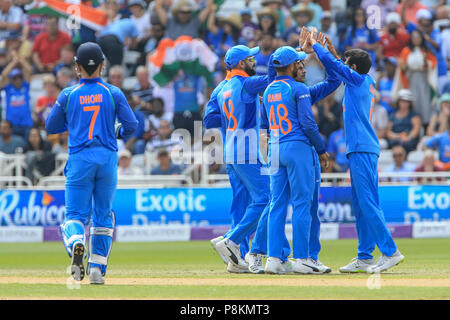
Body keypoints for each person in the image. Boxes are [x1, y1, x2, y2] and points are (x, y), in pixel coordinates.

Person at [311, 33, 404, 274]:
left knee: (366, 202)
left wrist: (316, 47)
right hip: (363, 148)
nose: (342, 62)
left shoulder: (356, 81)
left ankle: (390, 251)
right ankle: (365, 257)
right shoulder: (364, 80)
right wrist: (332, 50)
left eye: (346, 61)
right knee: (363, 204)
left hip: (362, 148)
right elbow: (338, 65)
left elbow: (334, 66)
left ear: (352, 67)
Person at [45, 42, 138, 285]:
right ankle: (97, 269)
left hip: (80, 159)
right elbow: (132, 125)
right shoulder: (113, 92)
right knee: (103, 214)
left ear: (77, 67)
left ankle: (77, 242)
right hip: (107, 158)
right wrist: (115, 130)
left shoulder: (68, 94)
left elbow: (51, 127)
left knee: (75, 215)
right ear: (102, 65)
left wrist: (75, 123)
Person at [261, 45, 335, 275]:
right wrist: (321, 150)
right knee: (303, 204)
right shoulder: (299, 89)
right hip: (297, 148)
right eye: (299, 63)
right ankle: (303, 258)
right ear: (291, 66)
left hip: (275, 148)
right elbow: (308, 123)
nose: (303, 66)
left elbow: (264, 125)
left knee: (277, 204)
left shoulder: (268, 90)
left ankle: (274, 259)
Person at [206, 44, 277, 273]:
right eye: (251, 59)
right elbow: (274, 76)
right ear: (240, 64)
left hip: (230, 151)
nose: (254, 62)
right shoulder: (247, 83)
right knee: (266, 199)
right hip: (247, 150)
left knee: (240, 204)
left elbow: (209, 120)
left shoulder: (220, 88)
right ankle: (231, 240)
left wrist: (231, 117)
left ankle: (235, 259)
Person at [0, 54, 33, 140]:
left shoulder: (25, 86)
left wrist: (21, 60)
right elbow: (4, 74)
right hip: (11, 124)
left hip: (26, 123)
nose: (18, 79)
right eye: (15, 78)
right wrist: (14, 62)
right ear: (11, 79)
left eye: (19, 77)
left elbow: (29, 70)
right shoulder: (8, 88)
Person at [386, 89, 422, 153]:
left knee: (406, 145)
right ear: (398, 101)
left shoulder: (414, 115)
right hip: (395, 140)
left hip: (409, 141)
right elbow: (388, 131)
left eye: (407, 101)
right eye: (402, 101)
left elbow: (416, 129)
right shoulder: (392, 115)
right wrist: (397, 136)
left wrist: (408, 137)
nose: (404, 103)